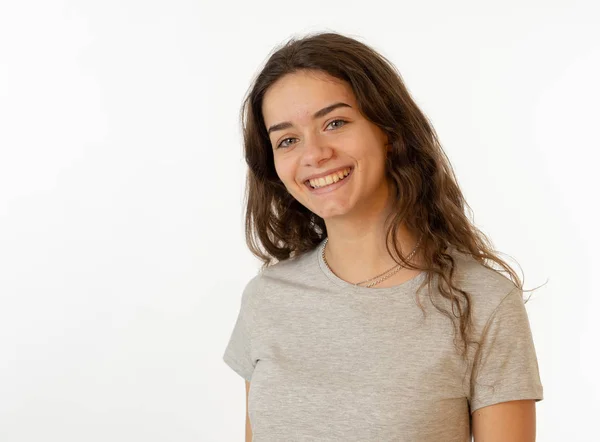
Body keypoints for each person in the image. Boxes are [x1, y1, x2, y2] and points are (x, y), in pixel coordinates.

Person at [222, 31, 544, 442]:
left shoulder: (483, 303)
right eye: (287, 140)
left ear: (389, 132)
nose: (314, 153)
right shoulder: (266, 297)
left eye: (335, 123)